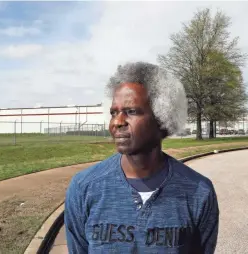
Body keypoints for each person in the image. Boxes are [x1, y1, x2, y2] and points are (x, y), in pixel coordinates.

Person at [64, 61, 219, 253]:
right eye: (114, 113)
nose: (118, 122)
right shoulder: (84, 188)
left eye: (131, 111)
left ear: (163, 118)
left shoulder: (198, 192)